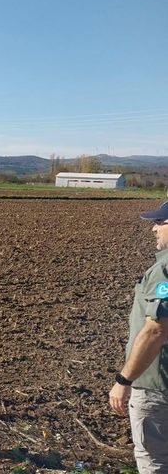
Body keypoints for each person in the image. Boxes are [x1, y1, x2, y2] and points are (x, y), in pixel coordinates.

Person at [109, 199, 168, 473]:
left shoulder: (164, 271)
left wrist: (124, 379)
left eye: (158, 222)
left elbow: (156, 329)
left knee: (154, 462)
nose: (153, 230)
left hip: (157, 387)